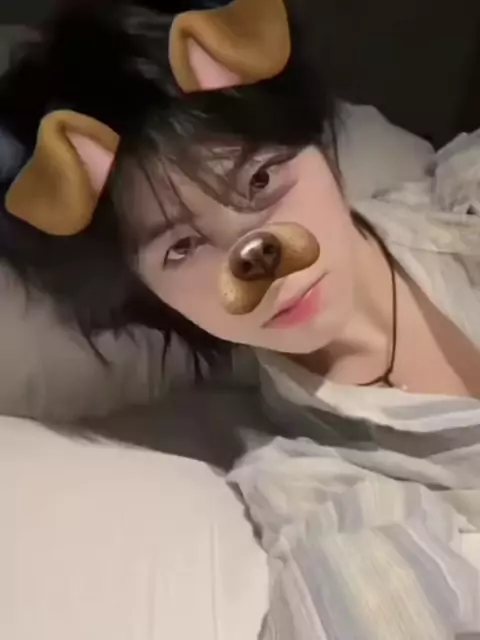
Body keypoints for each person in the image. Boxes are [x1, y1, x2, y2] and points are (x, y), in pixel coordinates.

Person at [1, 0, 480, 636]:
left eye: (260, 180)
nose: (255, 255)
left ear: (318, 147)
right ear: (148, 294)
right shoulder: (317, 476)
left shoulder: (463, 192)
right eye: (181, 246)